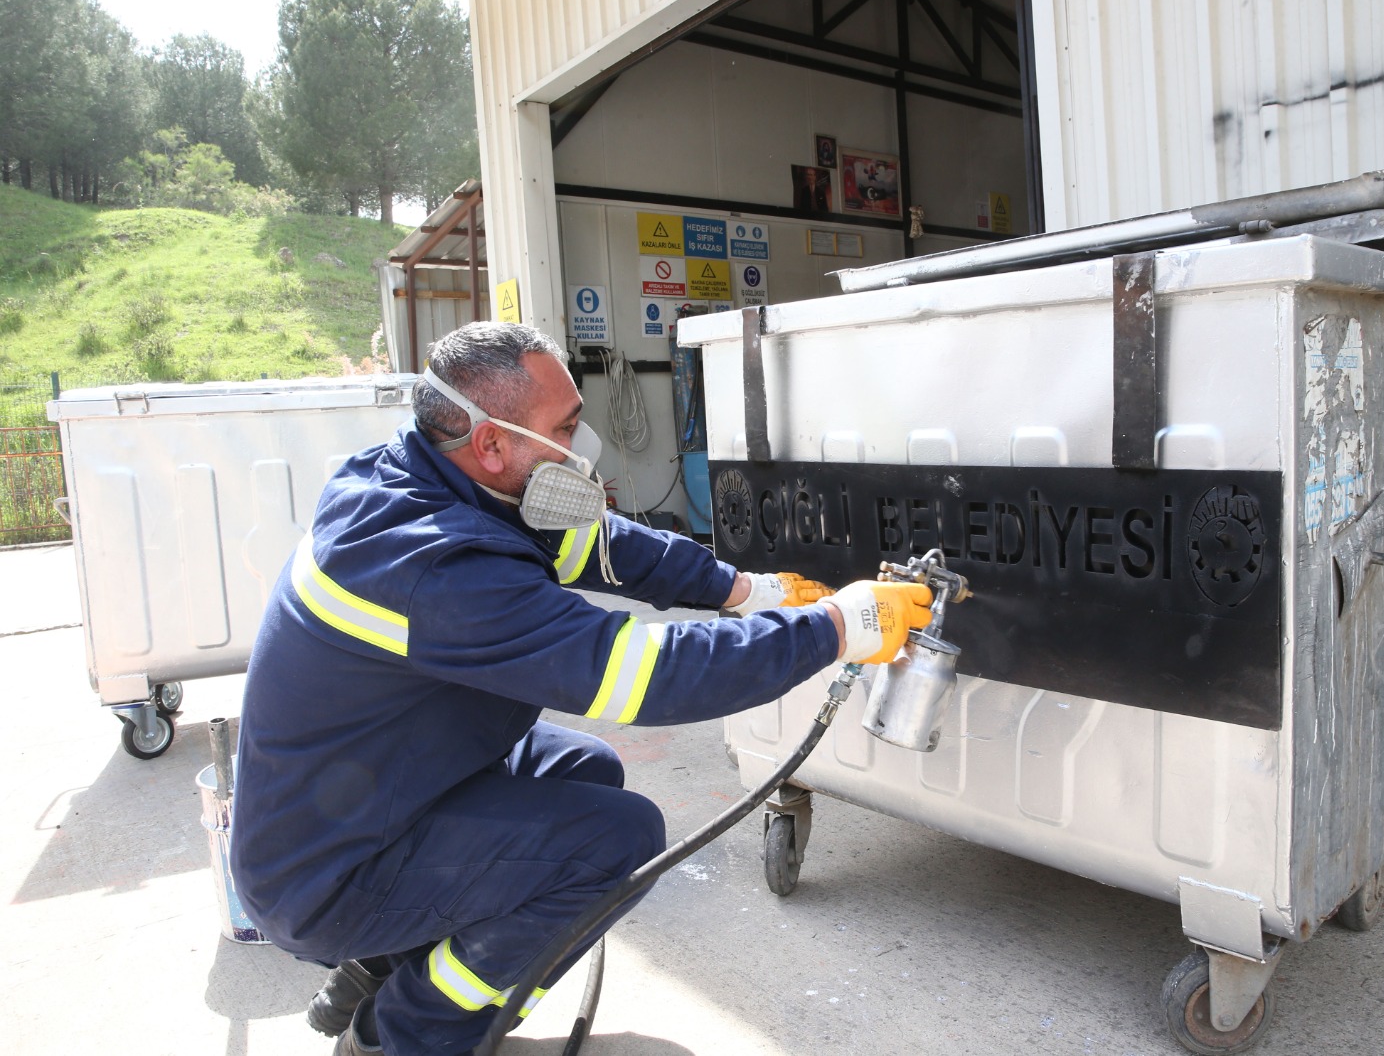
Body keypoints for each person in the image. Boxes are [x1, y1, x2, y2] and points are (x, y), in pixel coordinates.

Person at [230, 321, 932, 1056]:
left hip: (371, 791)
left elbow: (601, 544)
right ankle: (406, 1035)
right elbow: (648, 675)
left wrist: (745, 590)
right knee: (615, 841)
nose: (581, 446)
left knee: (582, 770)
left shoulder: (426, 477)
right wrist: (836, 628)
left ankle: (378, 968)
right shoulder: (437, 567)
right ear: (491, 442)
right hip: (327, 873)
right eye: (564, 428)